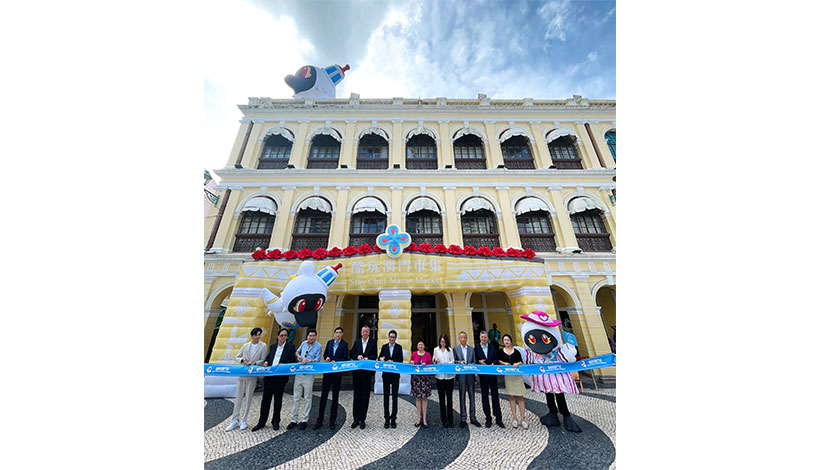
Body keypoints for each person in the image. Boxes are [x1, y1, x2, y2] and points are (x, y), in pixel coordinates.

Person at [225, 328, 268, 431]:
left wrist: (255, 363)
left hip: (252, 375)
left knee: (248, 398)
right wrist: (242, 360)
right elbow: (237, 357)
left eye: (259, 335)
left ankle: (244, 420)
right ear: (252, 336)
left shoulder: (263, 346)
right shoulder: (245, 346)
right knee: (238, 398)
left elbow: (263, 359)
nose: (257, 337)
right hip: (242, 374)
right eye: (256, 335)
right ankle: (234, 420)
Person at [253, 328, 296, 432]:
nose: (283, 337)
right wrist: (266, 362)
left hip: (280, 377)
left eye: (285, 335)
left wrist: (284, 364)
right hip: (269, 376)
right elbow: (268, 357)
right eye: (281, 335)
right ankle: (262, 421)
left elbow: (292, 361)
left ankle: (276, 421)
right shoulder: (273, 346)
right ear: (278, 336)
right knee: (265, 400)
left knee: (278, 400)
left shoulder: (290, 347)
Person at [314, 326, 348, 430]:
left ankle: (332, 421)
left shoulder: (344, 344)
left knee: (335, 397)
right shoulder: (329, 343)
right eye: (336, 332)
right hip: (328, 373)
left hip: (337, 374)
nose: (338, 334)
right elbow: (325, 353)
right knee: (323, 396)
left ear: (342, 334)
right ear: (334, 334)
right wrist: (327, 358)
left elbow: (345, 357)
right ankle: (319, 420)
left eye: (340, 332)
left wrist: (335, 361)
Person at [287, 329, 321, 430]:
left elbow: (317, 359)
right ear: (307, 336)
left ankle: (304, 420)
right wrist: (298, 357)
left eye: (314, 336)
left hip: (309, 374)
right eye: (310, 335)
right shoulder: (303, 343)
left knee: (307, 397)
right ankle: (294, 419)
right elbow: (297, 352)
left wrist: (309, 360)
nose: (312, 337)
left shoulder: (318, 346)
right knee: (296, 397)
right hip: (299, 372)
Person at [474, 330, 505, 428]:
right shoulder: (476, 347)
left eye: (485, 337)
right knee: (485, 396)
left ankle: (498, 418)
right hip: (483, 375)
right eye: (482, 337)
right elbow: (474, 359)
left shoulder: (492, 347)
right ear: (480, 338)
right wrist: (479, 361)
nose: (484, 339)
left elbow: (496, 358)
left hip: (492, 374)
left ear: (487, 338)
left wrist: (493, 363)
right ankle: (488, 418)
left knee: (495, 395)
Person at [349, 324, 377, 429]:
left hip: (367, 374)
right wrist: (357, 356)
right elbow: (351, 354)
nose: (365, 333)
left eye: (366, 331)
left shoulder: (373, 343)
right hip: (357, 374)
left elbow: (375, 355)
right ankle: (355, 419)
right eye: (363, 331)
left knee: (365, 397)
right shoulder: (357, 342)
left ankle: (362, 419)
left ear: (369, 333)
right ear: (361, 333)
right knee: (356, 396)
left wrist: (367, 358)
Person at [497, 334, 528, 429]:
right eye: (504, 340)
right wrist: (504, 363)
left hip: (517, 376)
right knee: (511, 396)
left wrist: (517, 363)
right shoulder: (501, 351)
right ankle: (514, 418)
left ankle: (523, 419)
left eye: (508, 340)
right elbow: (499, 360)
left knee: (520, 397)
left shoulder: (516, 351)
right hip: (508, 376)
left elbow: (521, 361)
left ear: (510, 341)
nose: (506, 341)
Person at [453, 331, 481, 428]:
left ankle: (473, 418)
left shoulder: (471, 349)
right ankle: (463, 418)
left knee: (472, 397)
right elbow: (454, 361)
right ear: (459, 339)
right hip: (461, 376)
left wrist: (471, 364)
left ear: (466, 338)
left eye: (464, 337)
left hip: (470, 376)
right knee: (462, 397)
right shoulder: (456, 349)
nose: (463, 339)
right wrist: (459, 362)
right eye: (461, 337)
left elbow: (475, 361)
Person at [378, 329, 403, 429]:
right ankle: (386, 419)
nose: (392, 339)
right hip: (386, 375)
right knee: (386, 397)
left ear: (395, 338)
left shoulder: (399, 347)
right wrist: (381, 359)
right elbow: (379, 357)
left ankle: (393, 419)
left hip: (395, 375)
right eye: (390, 337)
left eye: (393, 337)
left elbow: (400, 360)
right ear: (388, 337)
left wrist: (392, 361)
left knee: (395, 397)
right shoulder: (384, 347)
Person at [432, 333, 455, 428]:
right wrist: (435, 360)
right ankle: (443, 420)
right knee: (442, 399)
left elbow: (452, 361)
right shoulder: (436, 349)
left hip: (449, 377)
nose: (443, 343)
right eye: (441, 342)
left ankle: (450, 419)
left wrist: (447, 363)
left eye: (444, 342)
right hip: (440, 377)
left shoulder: (450, 350)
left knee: (449, 399)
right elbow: (433, 360)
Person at [410, 338, 432, 428]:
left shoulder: (427, 354)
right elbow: (410, 362)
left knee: (425, 399)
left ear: (424, 346)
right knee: (418, 398)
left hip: (425, 379)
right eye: (419, 345)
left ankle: (425, 419)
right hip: (416, 379)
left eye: (422, 345)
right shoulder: (414, 354)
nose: (420, 346)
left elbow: (431, 365)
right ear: (417, 346)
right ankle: (418, 418)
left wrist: (426, 365)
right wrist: (412, 362)